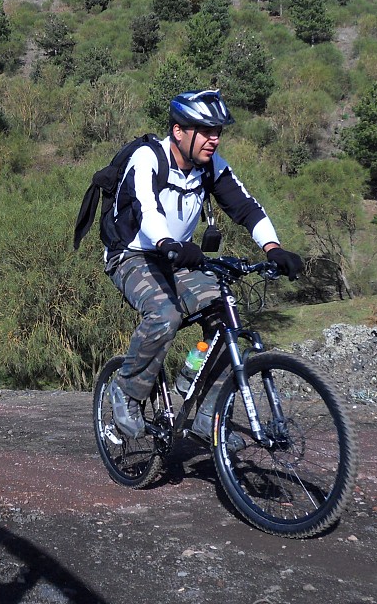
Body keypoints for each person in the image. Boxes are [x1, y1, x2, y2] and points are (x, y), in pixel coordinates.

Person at [107, 89, 303, 439]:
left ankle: (204, 410)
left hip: (178, 255)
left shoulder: (212, 166)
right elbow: (148, 211)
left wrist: (273, 248)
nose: (214, 139)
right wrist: (168, 242)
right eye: (206, 130)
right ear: (179, 130)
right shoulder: (147, 158)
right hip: (133, 255)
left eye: (218, 132)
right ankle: (126, 390)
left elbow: (246, 208)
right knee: (164, 314)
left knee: (223, 314)